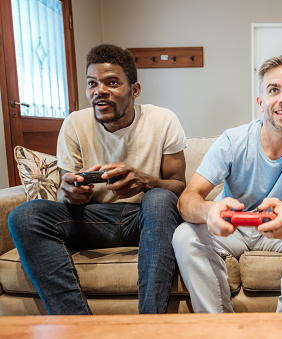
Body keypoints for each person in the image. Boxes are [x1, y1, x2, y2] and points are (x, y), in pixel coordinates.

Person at [8, 44, 187, 315]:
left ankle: (151, 325)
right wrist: (68, 193)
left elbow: (178, 185)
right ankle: (79, 327)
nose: (99, 90)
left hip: (144, 219)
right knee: (23, 216)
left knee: (161, 198)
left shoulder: (163, 120)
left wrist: (145, 181)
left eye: (112, 82)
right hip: (90, 219)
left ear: (134, 90)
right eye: (92, 83)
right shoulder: (74, 124)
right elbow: (62, 194)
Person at [172, 55, 282, 313]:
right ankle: (221, 329)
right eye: (273, 90)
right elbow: (188, 198)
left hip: (280, 229)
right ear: (260, 102)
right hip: (232, 228)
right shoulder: (232, 140)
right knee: (183, 235)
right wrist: (209, 212)